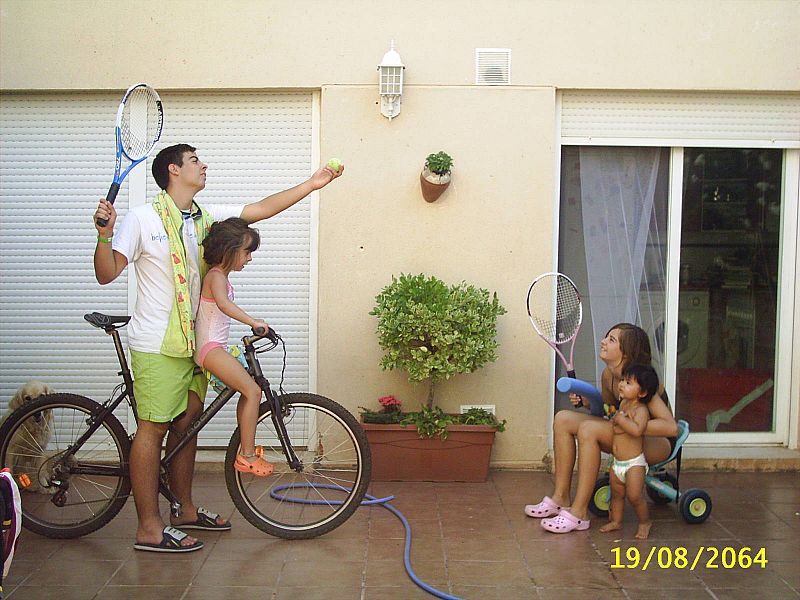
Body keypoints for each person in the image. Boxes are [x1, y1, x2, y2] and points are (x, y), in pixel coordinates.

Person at [93, 144, 342, 552]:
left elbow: (259, 209)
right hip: (157, 344)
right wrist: (104, 235)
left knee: (187, 428)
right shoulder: (141, 218)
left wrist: (313, 185)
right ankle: (149, 528)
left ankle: (186, 509)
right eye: (194, 160)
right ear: (173, 170)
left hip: (194, 344)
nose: (203, 165)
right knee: (152, 431)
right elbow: (106, 274)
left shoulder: (204, 219)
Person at [524, 323, 678, 534]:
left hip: (656, 444)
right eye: (606, 337)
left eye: (612, 340)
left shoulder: (642, 382)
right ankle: (560, 497)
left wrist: (631, 425)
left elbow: (671, 427)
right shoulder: (609, 376)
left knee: (588, 429)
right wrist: (588, 403)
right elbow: (606, 413)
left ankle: (579, 513)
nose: (603, 341)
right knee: (563, 419)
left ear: (627, 352)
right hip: (626, 437)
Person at [194, 217, 272, 476]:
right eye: (247, 251)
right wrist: (253, 322)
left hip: (214, 347)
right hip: (210, 348)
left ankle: (246, 450)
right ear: (229, 250)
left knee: (248, 390)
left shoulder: (221, 276)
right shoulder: (216, 276)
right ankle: (247, 455)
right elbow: (224, 305)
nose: (249, 258)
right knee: (252, 391)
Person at [598, 363, 658, 540]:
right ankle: (616, 521)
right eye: (622, 380)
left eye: (628, 382)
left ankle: (644, 522)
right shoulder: (623, 404)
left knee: (634, 496)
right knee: (617, 495)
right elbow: (616, 422)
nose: (622, 384)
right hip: (618, 464)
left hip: (634, 463)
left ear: (642, 393)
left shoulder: (641, 410)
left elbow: (638, 430)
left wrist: (622, 421)